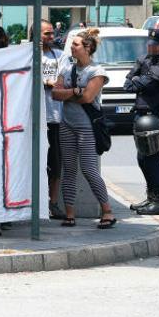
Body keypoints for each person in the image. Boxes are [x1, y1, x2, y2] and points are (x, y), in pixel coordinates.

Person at [52, 29, 116, 228]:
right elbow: (55, 93)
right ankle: (70, 214)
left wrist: (68, 93)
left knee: (89, 169)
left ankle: (107, 211)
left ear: (88, 48)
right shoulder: (66, 69)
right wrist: (76, 91)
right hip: (67, 124)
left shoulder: (97, 71)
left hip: (87, 127)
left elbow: (88, 97)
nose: (72, 47)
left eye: (76, 44)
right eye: (72, 44)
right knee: (68, 169)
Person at [123, 28, 159, 215]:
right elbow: (127, 84)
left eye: (155, 44)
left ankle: (158, 201)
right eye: (149, 44)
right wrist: (139, 80)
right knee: (143, 158)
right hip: (141, 113)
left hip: (155, 114)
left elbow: (151, 83)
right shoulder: (145, 59)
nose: (150, 47)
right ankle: (151, 198)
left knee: (152, 157)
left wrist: (138, 80)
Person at [40, 20, 65, 219]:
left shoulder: (60, 56)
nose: (51, 37)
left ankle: (53, 202)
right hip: (34, 120)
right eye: (46, 33)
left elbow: (61, 82)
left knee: (55, 164)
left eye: (51, 33)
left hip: (55, 118)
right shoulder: (26, 55)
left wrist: (49, 83)